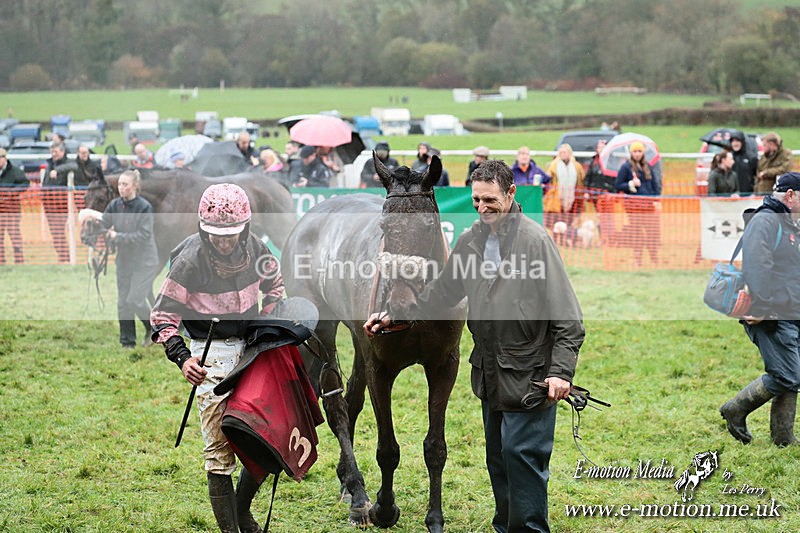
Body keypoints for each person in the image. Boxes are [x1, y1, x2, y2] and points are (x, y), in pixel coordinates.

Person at [364, 159, 584, 532]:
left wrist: (560, 371)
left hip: (531, 375)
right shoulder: (470, 241)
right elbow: (442, 293)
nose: (483, 208)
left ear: (511, 194)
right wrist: (392, 316)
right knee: (498, 459)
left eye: (490, 200)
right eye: (477, 200)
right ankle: (505, 527)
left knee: (522, 457)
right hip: (490, 373)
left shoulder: (535, 242)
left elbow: (568, 318)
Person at [150, 183, 287, 532]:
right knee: (220, 449)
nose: (223, 241)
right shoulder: (188, 260)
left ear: (245, 228)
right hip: (208, 354)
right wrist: (183, 358)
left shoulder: (258, 249)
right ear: (202, 228)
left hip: (252, 350)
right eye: (215, 235)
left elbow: (275, 289)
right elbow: (163, 316)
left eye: (231, 235)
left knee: (261, 440)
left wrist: (268, 324)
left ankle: (242, 513)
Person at [720, 172, 800, 447]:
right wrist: (764, 308)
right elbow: (757, 267)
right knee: (788, 374)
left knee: (791, 371)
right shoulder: (766, 221)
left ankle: (783, 438)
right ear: (790, 195)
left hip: (789, 308)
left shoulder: (789, 223)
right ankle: (736, 408)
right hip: (769, 311)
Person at [92, 169, 160, 348]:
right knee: (123, 302)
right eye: (120, 184)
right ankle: (127, 343)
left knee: (135, 299)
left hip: (145, 261)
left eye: (125, 185)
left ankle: (154, 330)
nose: (121, 188)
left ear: (134, 186)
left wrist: (117, 237)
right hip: (125, 261)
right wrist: (91, 223)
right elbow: (104, 223)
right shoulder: (114, 205)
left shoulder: (144, 207)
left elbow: (144, 235)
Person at [614, 141, 662, 267]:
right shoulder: (626, 167)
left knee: (651, 232)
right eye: (635, 151)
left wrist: (656, 200)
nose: (637, 154)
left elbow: (654, 185)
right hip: (633, 206)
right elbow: (618, 185)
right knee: (637, 233)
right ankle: (638, 258)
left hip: (648, 205)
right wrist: (630, 184)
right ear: (631, 153)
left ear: (643, 153)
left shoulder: (648, 167)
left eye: (639, 151)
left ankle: (653, 257)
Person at [41, 142, 71, 263]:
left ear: (63, 152)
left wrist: (57, 170)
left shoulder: (67, 163)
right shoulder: (49, 164)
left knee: (59, 231)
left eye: (56, 152)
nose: (53, 154)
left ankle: (65, 256)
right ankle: (62, 256)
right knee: (54, 232)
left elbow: (74, 166)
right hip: (48, 203)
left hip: (60, 204)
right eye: (52, 152)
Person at [0, 147, 29, 264]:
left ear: (4, 158)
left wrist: (11, 192)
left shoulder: (16, 172)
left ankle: (19, 260)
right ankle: (1, 261)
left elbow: (25, 184)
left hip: (12, 209)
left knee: (15, 236)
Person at [546, 143, 585, 228]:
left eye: (565, 152)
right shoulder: (553, 165)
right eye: (561, 152)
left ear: (570, 153)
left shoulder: (577, 166)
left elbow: (581, 180)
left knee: (571, 221)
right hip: (557, 198)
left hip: (573, 198)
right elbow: (548, 179)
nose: (563, 154)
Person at [729, 130, 757, 195]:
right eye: (733, 141)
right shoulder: (728, 157)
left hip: (748, 195)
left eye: (737, 141)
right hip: (731, 195)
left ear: (742, 142)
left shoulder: (751, 157)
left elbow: (757, 177)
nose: (735, 143)